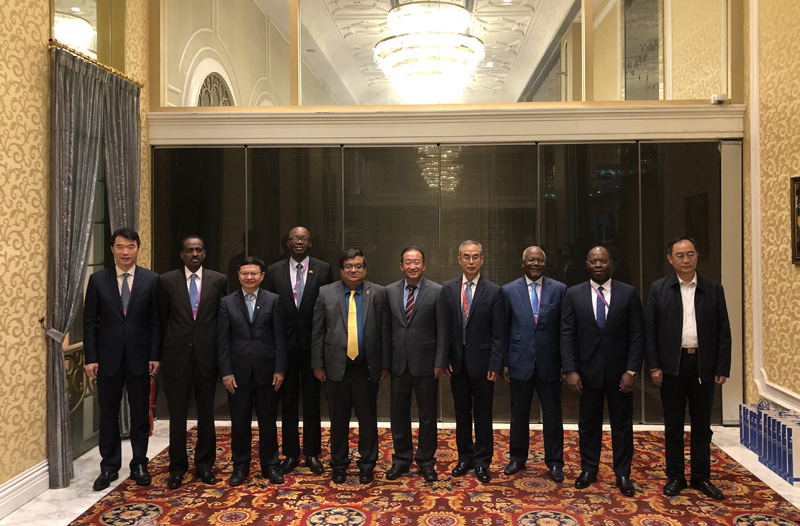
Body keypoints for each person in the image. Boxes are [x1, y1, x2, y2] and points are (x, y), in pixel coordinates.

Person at [645, 236, 731, 500]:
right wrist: (654, 366)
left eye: (690, 254)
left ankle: (701, 477)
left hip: (703, 365)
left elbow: (723, 331)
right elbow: (650, 331)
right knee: (673, 425)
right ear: (670, 259)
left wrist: (722, 366)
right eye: (680, 255)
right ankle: (676, 477)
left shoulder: (713, 289)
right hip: (672, 365)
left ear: (697, 256)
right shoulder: (659, 289)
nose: (686, 259)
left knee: (702, 425)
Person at [561, 246, 644, 497]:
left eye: (603, 261)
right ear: (587, 264)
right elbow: (567, 334)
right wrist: (570, 369)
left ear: (611, 263)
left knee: (622, 425)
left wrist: (632, 371)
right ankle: (588, 470)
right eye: (594, 261)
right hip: (586, 373)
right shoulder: (573, 294)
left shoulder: (628, 293)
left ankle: (623, 474)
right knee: (588, 424)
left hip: (620, 374)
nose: (598, 265)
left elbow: (637, 334)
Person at [84, 228, 161, 491]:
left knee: (140, 414)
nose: (125, 252)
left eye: (130, 247)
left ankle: (139, 463)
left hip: (140, 358)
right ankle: (109, 467)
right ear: (112, 249)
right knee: (108, 414)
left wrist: (155, 355)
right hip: (107, 359)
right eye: (120, 247)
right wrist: (91, 358)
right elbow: (90, 322)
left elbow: (156, 322)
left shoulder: (152, 280)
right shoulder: (97, 280)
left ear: (138, 248)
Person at [311, 249, 390, 485]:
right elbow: (318, 332)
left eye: (358, 266)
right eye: (348, 266)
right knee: (338, 421)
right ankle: (339, 464)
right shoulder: (326, 293)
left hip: (367, 369)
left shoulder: (378, 292)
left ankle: (367, 464)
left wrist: (385, 364)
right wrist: (317, 364)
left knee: (368, 421)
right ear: (341, 270)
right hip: (336, 368)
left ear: (364, 269)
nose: (353, 270)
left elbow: (385, 331)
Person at [157, 236, 228, 489]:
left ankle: (205, 466)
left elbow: (222, 321)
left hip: (207, 358)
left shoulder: (218, 280)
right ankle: (177, 468)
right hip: (176, 358)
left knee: (206, 415)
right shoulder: (166, 281)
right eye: (190, 250)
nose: (194, 254)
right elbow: (160, 321)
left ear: (205, 253)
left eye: (198, 250)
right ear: (182, 254)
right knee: (177, 417)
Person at [264, 227, 333, 476]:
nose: (299, 242)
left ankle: (312, 453)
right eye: (295, 238)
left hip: (313, 345)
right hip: (284, 346)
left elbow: (329, 307)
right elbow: (269, 308)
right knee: (289, 401)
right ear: (288, 243)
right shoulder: (274, 270)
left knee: (313, 401)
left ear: (310, 243)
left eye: (303, 238)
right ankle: (291, 453)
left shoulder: (323, 269)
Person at [217, 257, 287, 487]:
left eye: (254, 273)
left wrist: (280, 369)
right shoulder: (227, 302)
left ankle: (271, 465)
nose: (249, 277)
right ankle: (240, 466)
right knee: (239, 422)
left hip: (267, 372)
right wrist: (226, 372)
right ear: (238, 275)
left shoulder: (273, 300)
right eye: (245, 273)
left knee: (268, 421)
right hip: (238, 374)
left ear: (262, 276)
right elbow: (223, 341)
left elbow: (280, 338)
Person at [502, 246, 567, 482]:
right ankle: (517, 458)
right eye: (531, 260)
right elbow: (504, 329)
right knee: (518, 414)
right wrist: (504, 362)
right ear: (523, 263)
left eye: (539, 260)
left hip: (550, 361)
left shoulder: (559, 289)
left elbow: (565, 329)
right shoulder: (508, 290)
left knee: (553, 415)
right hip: (519, 360)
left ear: (545, 263)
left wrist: (566, 363)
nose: (535, 264)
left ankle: (555, 462)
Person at [442, 240, 504, 484]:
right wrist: (445, 359)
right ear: (459, 260)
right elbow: (444, 329)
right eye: (466, 257)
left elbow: (498, 333)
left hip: (483, 363)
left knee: (483, 414)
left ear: (482, 259)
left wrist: (495, 364)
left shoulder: (494, 291)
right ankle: (464, 457)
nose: (471, 261)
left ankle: (482, 461)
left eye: (475, 256)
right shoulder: (448, 289)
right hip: (457, 363)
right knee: (461, 413)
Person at [385, 247, 449, 483]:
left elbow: (443, 330)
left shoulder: (437, 291)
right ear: (401, 266)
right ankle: (401, 460)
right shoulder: (389, 291)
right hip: (398, 364)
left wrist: (440, 361)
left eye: (417, 262)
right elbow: (386, 329)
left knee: (428, 416)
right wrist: (385, 363)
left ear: (424, 265)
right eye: (408, 262)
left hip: (427, 364)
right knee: (398, 414)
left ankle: (426, 461)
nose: (412, 266)